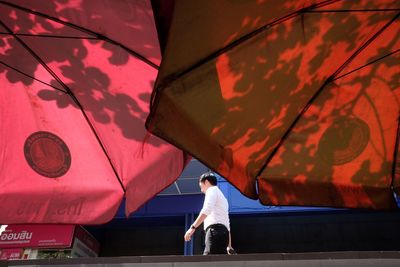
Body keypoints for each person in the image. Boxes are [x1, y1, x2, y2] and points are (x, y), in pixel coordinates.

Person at [184, 172, 236, 255]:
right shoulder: (223, 198)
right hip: (224, 234)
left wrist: (192, 227)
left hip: (214, 232)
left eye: (201, 186)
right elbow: (227, 224)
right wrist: (229, 246)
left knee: (208, 261)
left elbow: (206, 209)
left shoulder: (211, 190)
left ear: (206, 182)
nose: (201, 190)